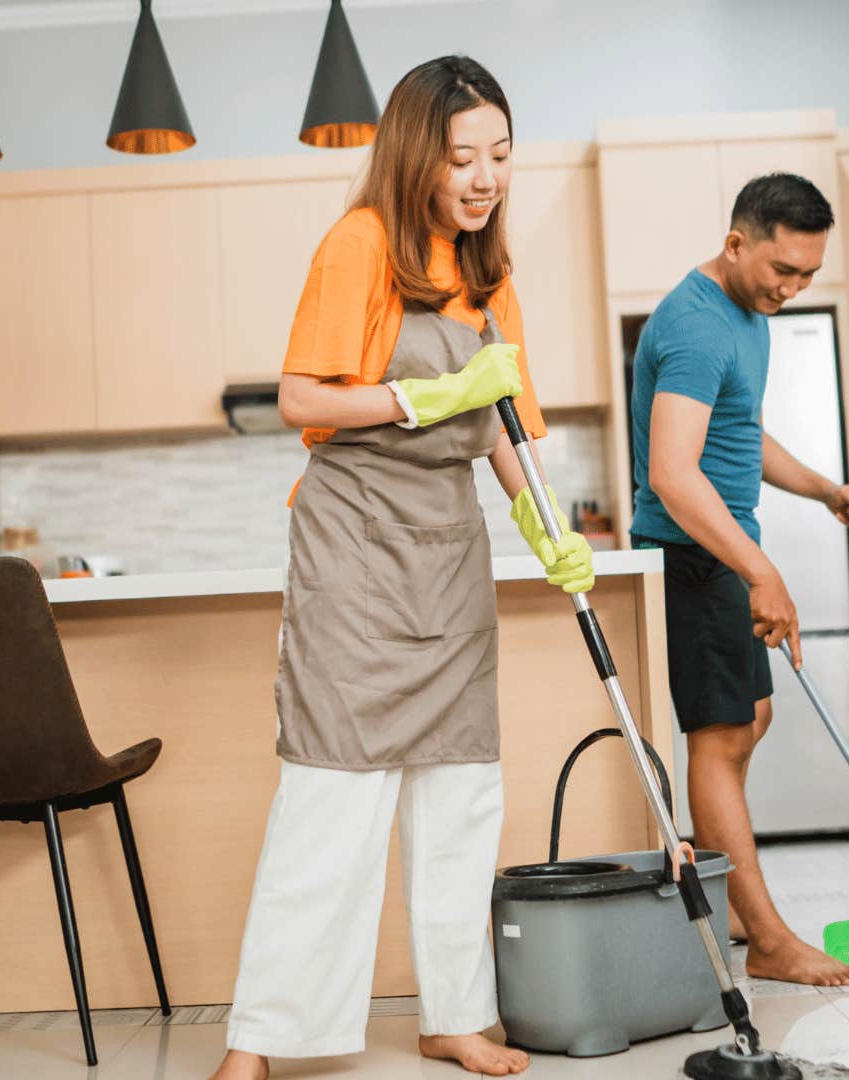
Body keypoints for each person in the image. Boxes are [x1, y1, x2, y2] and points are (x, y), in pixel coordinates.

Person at [210, 56, 592, 1080]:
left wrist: (543, 521)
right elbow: (300, 399)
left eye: (501, 157)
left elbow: (504, 417)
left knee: (461, 797)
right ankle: (262, 1039)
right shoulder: (362, 243)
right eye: (463, 156)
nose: (484, 178)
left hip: (448, 552)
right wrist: (415, 400)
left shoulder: (490, 276)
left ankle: (454, 1016)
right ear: (418, 154)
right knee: (331, 799)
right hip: (355, 553)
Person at [628, 172, 849, 988]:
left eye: (808, 275)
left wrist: (826, 490)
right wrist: (761, 570)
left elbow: (741, 434)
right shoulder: (695, 325)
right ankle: (767, 940)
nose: (794, 289)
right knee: (723, 736)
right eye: (783, 271)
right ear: (737, 243)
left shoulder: (747, 313)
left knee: (751, 719)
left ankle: (736, 906)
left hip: (725, 556)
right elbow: (672, 472)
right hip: (696, 558)